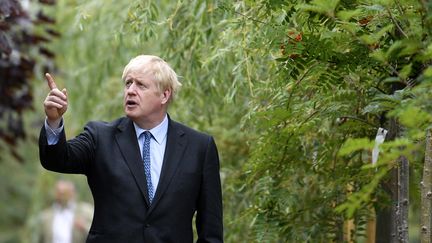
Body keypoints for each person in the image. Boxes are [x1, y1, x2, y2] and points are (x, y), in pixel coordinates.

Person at [39, 55, 223, 243]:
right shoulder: (100, 137)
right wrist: (54, 121)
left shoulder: (200, 148)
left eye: (141, 85)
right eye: (128, 83)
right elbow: (57, 159)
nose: (131, 91)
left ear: (164, 95)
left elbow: (211, 233)